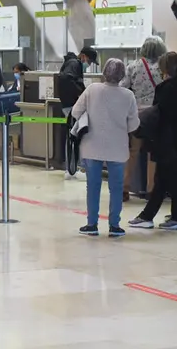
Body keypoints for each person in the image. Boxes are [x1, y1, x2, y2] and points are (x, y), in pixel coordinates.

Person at [71, 58, 139, 238]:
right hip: (117, 148)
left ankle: (92, 224)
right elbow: (133, 125)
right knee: (116, 187)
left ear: (104, 72)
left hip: (92, 145)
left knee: (93, 186)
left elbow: (75, 112)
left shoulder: (92, 89)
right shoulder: (128, 95)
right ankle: (114, 225)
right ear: (122, 75)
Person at [129, 52, 177, 230]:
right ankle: (153, 215)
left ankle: (172, 217)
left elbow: (160, 114)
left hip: (166, 138)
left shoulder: (165, 88)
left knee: (169, 177)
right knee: (165, 177)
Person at [120, 36, 166, 200]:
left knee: (132, 151)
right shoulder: (163, 67)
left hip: (137, 115)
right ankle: (151, 189)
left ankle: (124, 188)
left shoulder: (133, 66)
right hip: (156, 115)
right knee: (153, 153)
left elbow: (122, 87)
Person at [59, 47, 97, 180]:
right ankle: (72, 169)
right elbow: (68, 80)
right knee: (74, 136)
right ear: (84, 56)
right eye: (90, 61)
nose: (89, 65)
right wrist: (81, 93)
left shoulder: (71, 63)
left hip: (69, 104)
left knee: (73, 135)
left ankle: (72, 168)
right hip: (72, 105)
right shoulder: (75, 64)